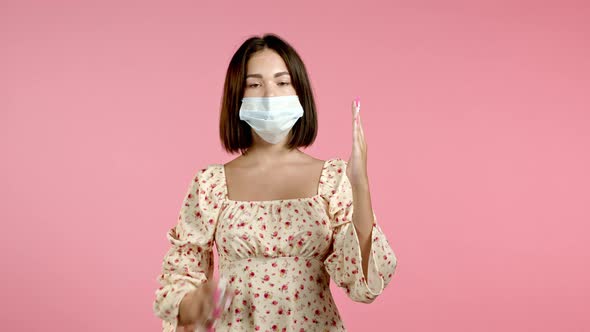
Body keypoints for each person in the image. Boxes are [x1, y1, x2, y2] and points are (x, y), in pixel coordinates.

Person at [153, 33, 398, 332]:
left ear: (300, 92)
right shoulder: (210, 184)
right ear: (237, 97)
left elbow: (362, 282)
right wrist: (197, 302)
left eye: (282, 82)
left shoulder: (333, 179)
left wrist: (360, 185)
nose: (270, 95)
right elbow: (179, 276)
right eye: (254, 84)